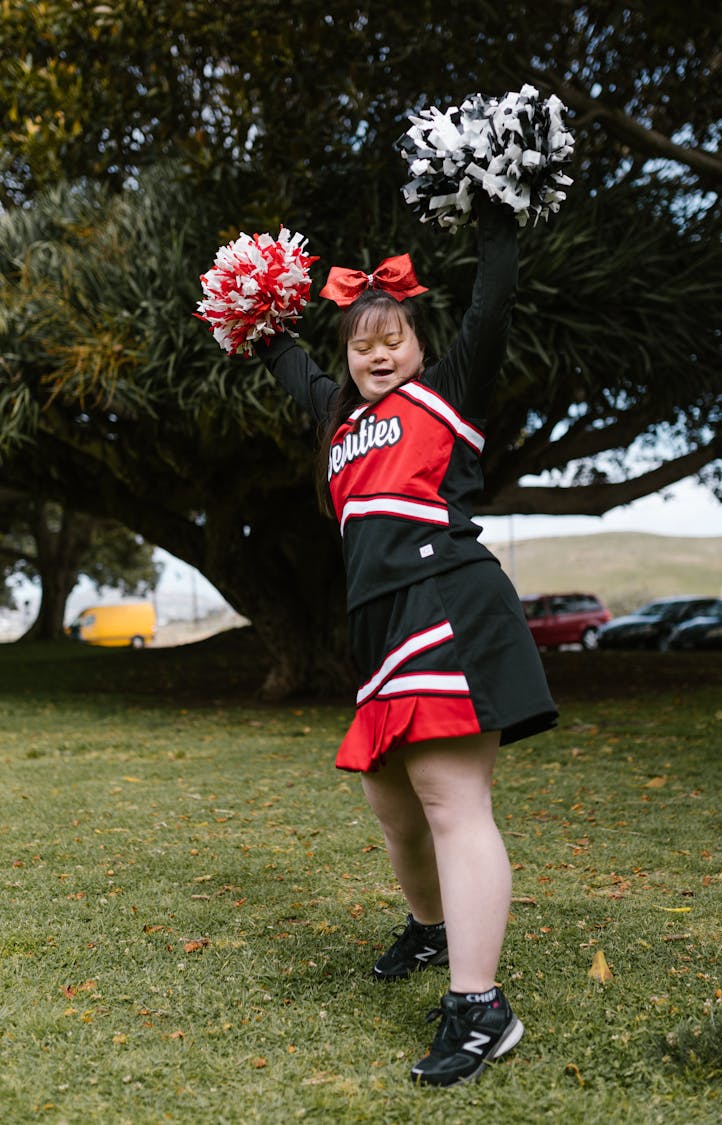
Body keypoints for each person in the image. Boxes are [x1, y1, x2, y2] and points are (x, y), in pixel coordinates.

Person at [258, 194, 558, 1087]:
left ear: (419, 344)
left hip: (448, 602)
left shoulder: (447, 392)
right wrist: (260, 314)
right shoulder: (338, 421)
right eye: (362, 342)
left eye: (393, 337)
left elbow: (492, 304)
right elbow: (287, 362)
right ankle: (431, 931)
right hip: (381, 627)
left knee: (449, 799)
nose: (378, 351)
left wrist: (497, 222)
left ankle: (481, 1008)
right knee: (392, 803)